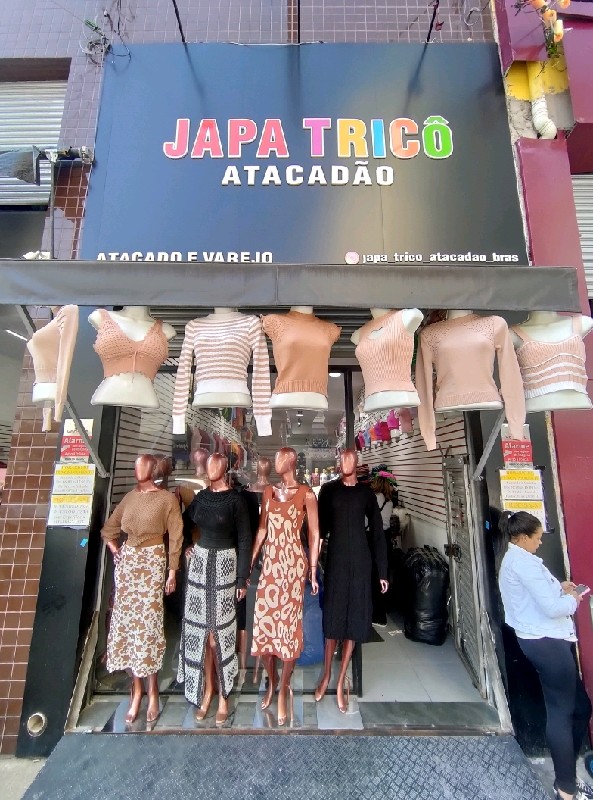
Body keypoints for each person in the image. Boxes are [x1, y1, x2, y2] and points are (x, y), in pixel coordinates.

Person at [497, 511, 593, 800]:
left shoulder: (520, 559)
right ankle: (565, 789)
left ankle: (568, 774)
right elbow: (553, 609)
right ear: (523, 537)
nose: (540, 543)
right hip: (546, 643)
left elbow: (538, 595)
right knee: (562, 713)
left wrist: (559, 588)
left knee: (580, 709)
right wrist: (573, 599)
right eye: (537, 538)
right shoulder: (522, 564)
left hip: (549, 640)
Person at [369, 469, 397, 627]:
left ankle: (373, 612)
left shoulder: (371, 499)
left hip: (371, 538)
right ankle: (381, 613)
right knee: (383, 575)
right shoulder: (390, 503)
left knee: (371, 575)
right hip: (385, 540)